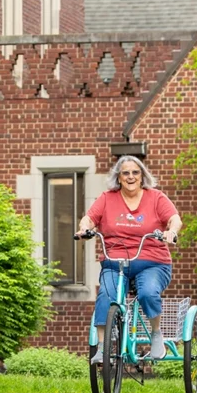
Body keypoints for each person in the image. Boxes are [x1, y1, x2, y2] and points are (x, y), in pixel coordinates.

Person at [75, 155, 182, 364]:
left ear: (142, 176)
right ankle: (103, 349)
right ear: (119, 177)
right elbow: (90, 218)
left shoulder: (156, 197)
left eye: (135, 172)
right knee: (106, 294)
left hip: (152, 261)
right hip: (115, 262)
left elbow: (174, 218)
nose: (130, 177)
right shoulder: (107, 198)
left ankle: (156, 334)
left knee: (149, 293)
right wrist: (84, 228)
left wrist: (171, 231)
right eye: (126, 173)